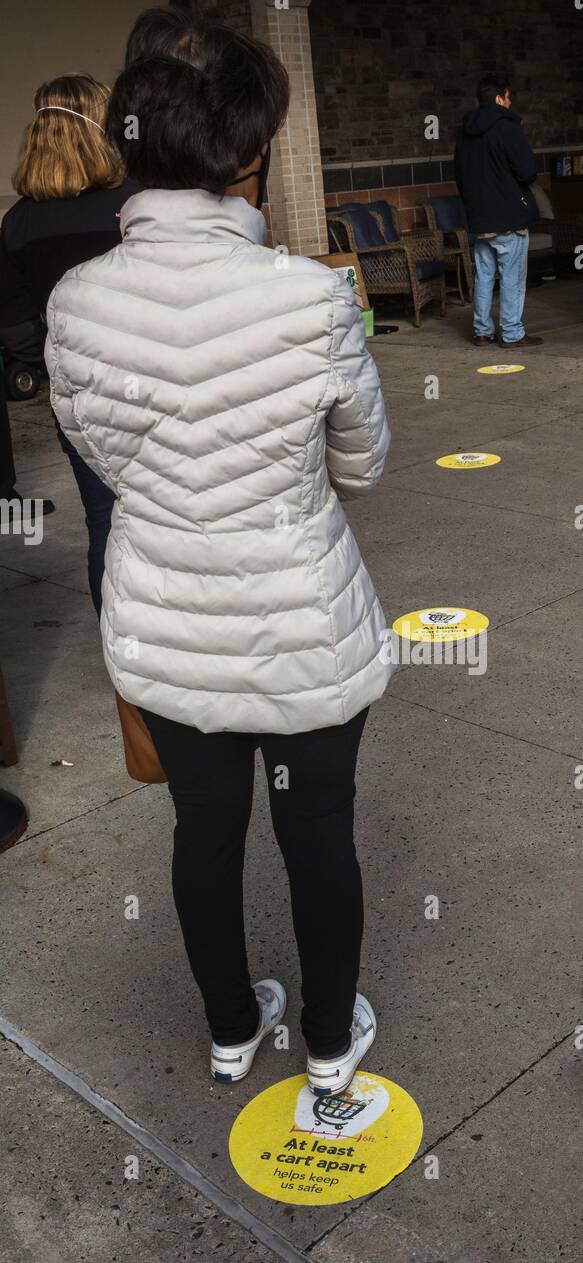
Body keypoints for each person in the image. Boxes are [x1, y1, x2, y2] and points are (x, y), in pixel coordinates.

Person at [45, 7, 391, 1099]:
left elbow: (98, 454)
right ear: (247, 156)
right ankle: (329, 1047)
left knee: (203, 832)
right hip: (300, 622)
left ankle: (233, 1031)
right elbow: (363, 463)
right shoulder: (310, 296)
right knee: (317, 832)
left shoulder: (76, 302)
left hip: (163, 625)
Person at [0, 75, 139, 610]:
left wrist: (48, 368)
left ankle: (120, 650)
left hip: (76, 395)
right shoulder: (135, 204)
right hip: (153, 383)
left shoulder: (18, 223)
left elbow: (14, 324)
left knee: (104, 516)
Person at [455, 76, 543, 349]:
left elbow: (459, 174)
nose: (511, 102)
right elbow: (527, 170)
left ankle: (482, 332)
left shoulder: (465, 132)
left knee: (484, 276)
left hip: (480, 219)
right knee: (512, 277)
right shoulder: (507, 127)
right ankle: (512, 333)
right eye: (508, 96)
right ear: (499, 98)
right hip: (509, 216)